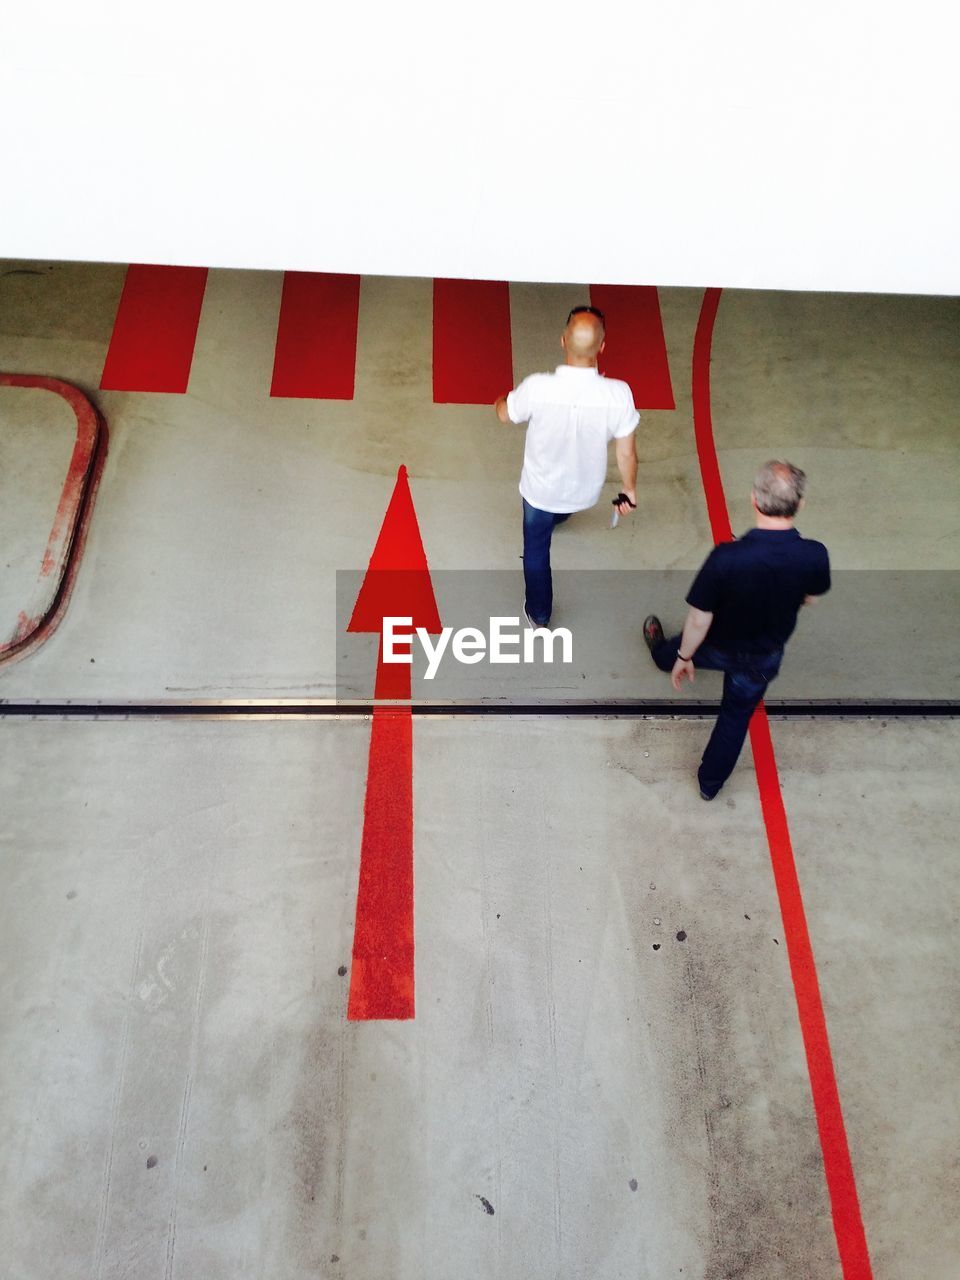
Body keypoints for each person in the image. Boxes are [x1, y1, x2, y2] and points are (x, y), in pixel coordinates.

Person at [643, 460, 830, 800]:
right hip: (764, 656)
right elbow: (809, 597)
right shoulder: (815, 555)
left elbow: (699, 618)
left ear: (754, 500)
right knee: (734, 719)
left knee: (674, 652)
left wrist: (686, 656)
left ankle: (663, 657)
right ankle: (709, 784)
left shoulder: (726, 558)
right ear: (800, 505)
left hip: (717, 644)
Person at [494, 305, 639, 627]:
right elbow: (626, 454)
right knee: (559, 511)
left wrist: (500, 400)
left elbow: (506, 414)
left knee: (535, 550)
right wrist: (628, 490)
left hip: (539, 491)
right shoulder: (618, 394)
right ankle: (560, 515)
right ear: (602, 348)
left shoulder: (537, 387)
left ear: (563, 341)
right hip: (582, 492)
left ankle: (539, 613)